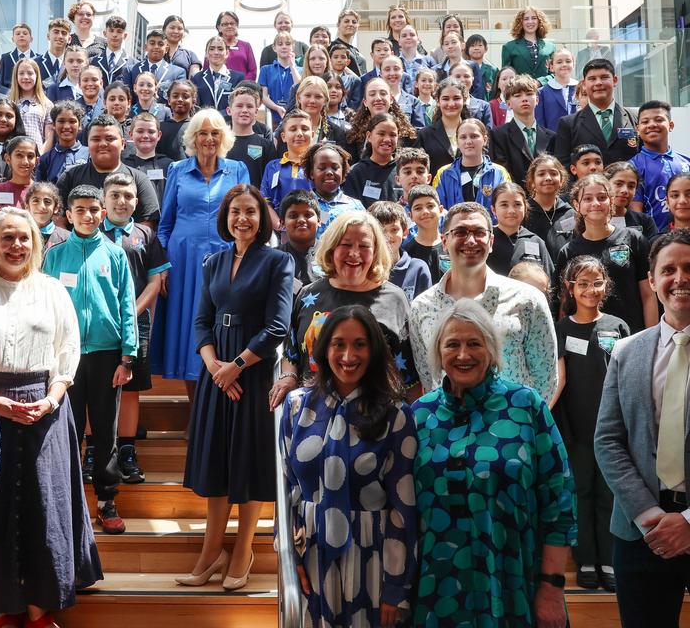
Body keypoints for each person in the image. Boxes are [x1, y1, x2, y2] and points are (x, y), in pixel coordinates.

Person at [0, 208, 102, 626]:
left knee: (42, 505)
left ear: (36, 244)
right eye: (7, 238)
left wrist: (51, 398)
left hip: (44, 411)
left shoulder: (52, 289)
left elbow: (69, 350)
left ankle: (38, 609)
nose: (16, 246)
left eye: (24, 238)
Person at [412, 299, 575, 627]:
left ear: (491, 348)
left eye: (474, 343)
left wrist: (551, 589)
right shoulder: (419, 415)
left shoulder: (525, 406)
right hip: (436, 591)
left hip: (513, 585)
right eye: (452, 344)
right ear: (438, 353)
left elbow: (559, 505)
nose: (463, 354)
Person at [179, 185, 293, 591]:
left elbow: (278, 326)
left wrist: (237, 366)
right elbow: (200, 321)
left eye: (249, 211)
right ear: (225, 218)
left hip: (253, 373)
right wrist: (215, 367)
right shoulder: (213, 262)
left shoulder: (278, 261)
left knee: (248, 461)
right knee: (216, 463)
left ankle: (242, 550)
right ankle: (212, 552)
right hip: (217, 375)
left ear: (262, 217)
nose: (241, 219)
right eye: (234, 212)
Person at [280, 305, 417, 627]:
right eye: (338, 343)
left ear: (374, 350)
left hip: (373, 558)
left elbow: (403, 507)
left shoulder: (396, 415)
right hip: (310, 555)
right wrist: (290, 555)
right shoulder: (297, 406)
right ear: (324, 348)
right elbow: (288, 490)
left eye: (359, 344)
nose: (347, 355)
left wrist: (395, 586)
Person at [595, 228, 690, 626]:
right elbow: (608, 441)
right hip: (640, 531)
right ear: (651, 280)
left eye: (689, 268)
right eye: (669, 269)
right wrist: (650, 514)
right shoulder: (627, 350)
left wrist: (687, 523)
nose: (680, 278)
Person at [43, 186, 137, 535]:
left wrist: (128, 356)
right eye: (79, 209)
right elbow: (45, 306)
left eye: (94, 209)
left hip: (106, 355)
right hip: (65, 356)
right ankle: (68, 502)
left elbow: (128, 305)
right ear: (67, 214)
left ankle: (106, 500)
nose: (87, 215)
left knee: (104, 431)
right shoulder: (54, 256)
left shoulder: (114, 254)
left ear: (102, 213)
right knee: (66, 432)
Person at [409, 202, 558, 400]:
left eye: (479, 232)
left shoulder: (528, 300)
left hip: (512, 426)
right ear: (444, 241)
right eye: (460, 232)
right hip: (451, 427)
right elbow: (430, 379)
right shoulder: (421, 307)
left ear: (491, 241)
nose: (470, 241)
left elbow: (545, 379)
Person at [152, 110, 249, 391]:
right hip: (183, 262)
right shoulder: (177, 170)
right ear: (193, 138)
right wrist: (163, 267)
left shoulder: (238, 169)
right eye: (203, 133)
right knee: (188, 331)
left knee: (223, 329)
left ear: (224, 137)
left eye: (215, 133)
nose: (209, 139)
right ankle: (195, 417)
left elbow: (247, 217)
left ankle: (218, 413)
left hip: (228, 258)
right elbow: (165, 223)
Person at [278, 211, 418, 405]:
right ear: (332, 248)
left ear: (376, 251)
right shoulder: (308, 294)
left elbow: (410, 377)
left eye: (364, 246)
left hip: (377, 418)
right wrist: (288, 377)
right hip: (314, 419)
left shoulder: (394, 299)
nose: (354, 253)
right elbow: (292, 354)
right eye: (345, 245)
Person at [552, 255, 628, 591]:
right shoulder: (562, 329)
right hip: (577, 428)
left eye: (596, 283)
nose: (590, 290)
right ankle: (585, 559)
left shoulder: (618, 326)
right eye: (582, 283)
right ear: (570, 288)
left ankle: (609, 561)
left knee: (609, 494)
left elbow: (626, 376)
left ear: (606, 286)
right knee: (581, 492)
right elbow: (560, 379)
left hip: (613, 427)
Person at [100, 174, 170, 483]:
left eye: (128, 196)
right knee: (96, 385)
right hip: (97, 323)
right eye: (115, 195)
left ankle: (127, 451)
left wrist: (130, 313)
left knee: (130, 388)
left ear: (136, 202)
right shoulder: (91, 232)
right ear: (104, 200)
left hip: (136, 322)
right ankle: (95, 452)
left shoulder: (145, 235)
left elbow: (155, 281)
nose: (121, 201)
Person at [554, 174, 657, 334]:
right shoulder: (568, 251)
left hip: (631, 337)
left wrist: (652, 337)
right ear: (576, 205)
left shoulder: (633, 239)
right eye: (587, 199)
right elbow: (565, 304)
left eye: (602, 197)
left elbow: (648, 295)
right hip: (588, 344)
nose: (595, 203)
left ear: (611, 201)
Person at [55, 115, 160, 225]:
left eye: (110, 139)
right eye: (96, 139)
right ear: (87, 144)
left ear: (123, 144)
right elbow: (59, 222)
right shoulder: (69, 177)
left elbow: (147, 226)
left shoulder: (139, 179)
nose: (103, 144)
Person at [553, 58, 639, 168]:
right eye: (592, 79)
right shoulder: (568, 124)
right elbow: (563, 167)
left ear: (615, 80)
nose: (598, 83)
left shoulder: (635, 118)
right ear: (584, 84)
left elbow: (642, 158)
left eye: (604, 77)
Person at [629, 101, 690, 232]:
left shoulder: (687, 162)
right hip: (655, 242)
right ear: (637, 129)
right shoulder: (632, 167)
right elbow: (636, 214)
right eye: (645, 122)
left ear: (671, 125)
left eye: (659, 119)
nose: (651, 125)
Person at [432, 118, 510, 213]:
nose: (468, 141)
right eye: (463, 137)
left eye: (474, 136)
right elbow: (439, 210)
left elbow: (505, 206)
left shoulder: (499, 172)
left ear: (484, 140)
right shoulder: (444, 173)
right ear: (457, 141)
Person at [490, 74, 556, 184]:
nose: (524, 99)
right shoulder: (498, 135)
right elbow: (501, 171)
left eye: (529, 94)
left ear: (537, 100)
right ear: (508, 104)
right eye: (517, 95)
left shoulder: (552, 137)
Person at [487, 182, 553, 279]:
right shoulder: (485, 240)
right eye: (504, 205)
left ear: (525, 208)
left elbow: (550, 280)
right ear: (493, 210)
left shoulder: (536, 241)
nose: (511, 211)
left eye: (517, 204)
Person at [370, 200, 432, 301]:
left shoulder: (418, 268)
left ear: (405, 232)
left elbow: (425, 310)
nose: (388, 236)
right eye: (381, 230)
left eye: (394, 230)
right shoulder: (364, 268)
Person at [262, 110, 314, 227]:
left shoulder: (318, 166)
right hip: (282, 232)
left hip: (314, 230)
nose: (299, 133)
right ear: (283, 136)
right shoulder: (272, 167)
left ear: (312, 134)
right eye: (293, 129)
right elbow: (265, 201)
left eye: (305, 129)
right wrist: (280, 226)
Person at [304, 142, 364, 238]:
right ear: (312, 173)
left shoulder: (356, 207)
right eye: (322, 168)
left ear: (343, 172)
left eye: (335, 168)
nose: (329, 172)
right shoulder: (303, 205)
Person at [344, 113, 402, 208]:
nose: (387, 139)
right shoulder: (356, 172)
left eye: (392, 135)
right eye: (381, 134)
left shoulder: (403, 170)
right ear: (369, 136)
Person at [226, 83, 277, 189]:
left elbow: (271, 182)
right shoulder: (220, 143)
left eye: (249, 106)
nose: (244, 110)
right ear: (229, 111)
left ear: (256, 112)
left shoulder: (266, 146)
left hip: (256, 202)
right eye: (239, 106)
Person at [524, 154, 574, 256]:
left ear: (561, 180)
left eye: (553, 173)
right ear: (532, 181)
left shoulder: (571, 214)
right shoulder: (524, 213)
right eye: (541, 174)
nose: (548, 178)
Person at [417, 77, 470, 174]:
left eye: (456, 98)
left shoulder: (474, 132)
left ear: (465, 99)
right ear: (437, 101)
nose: (451, 104)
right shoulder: (424, 135)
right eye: (445, 99)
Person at [122, 111, 172, 205]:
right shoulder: (123, 166)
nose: (145, 136)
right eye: (140, 131)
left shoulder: (169, 166)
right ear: (131, 135)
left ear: (159, 135)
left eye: (151, 132)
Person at [278, 190, 321, 296]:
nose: (301, 220)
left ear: (319, 221)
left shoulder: (331, 254)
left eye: (308, 215)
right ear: (282, 223)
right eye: (293, 216)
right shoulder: (274, 259)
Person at [35, 101, 89, 184]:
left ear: (80, 126)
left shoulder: (89, 154)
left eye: (72, 121)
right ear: (53, 125)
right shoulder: (45, 159)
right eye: (61, 121)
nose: (67, 126)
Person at [121, 30, 185, 100]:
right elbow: (127, 98)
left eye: (160, 44)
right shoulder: (131, 70)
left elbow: (178, 99)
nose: (156, 47)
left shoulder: (178, 72)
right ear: (145, 47)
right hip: (137, 110)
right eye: (152, 43)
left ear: (166, 49)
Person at [404, 185, 449, 284]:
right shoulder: (406, 252)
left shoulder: (452, 246)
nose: (425, 212)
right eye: (418, 208)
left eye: (430, 206)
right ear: (410, 216)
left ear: (441, 210)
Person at [0, 135, 39, 218]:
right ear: (8, 159)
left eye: (30, 156)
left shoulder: (42, 191)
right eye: (19, 155)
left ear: (36, 161)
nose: (25, 161)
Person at [7, 57, 53, 150]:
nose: (26, 77)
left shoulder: (46, 104)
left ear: (37, 75)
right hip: (13, 155)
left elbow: (49, 137)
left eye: (30, 73)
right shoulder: (8, 102)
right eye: (21, 73)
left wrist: (40, 156)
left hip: (36, 156)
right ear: (16, 76)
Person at [605, 161, 659, 239]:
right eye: (618, 184)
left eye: (631, 186)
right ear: (605, 184)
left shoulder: (645, 221)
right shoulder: (592, 220)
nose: (625, 190)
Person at [192, 35, 245, 113]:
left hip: (229, 123)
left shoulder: (238, 78)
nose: (216, 52)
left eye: (220, 49)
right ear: (206, 54)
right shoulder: (197, 78)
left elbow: (239, 105)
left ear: (227, 53)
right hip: (205, 122)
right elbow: (195, 105)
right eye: (212, 49)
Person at [500, 6, 557, 79]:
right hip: (520, 89)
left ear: (539, 21)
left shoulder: (550, 47)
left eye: (534, 18)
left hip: (545, 89)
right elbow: (506, 76)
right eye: (526, 19)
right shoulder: (509, 47)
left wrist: (540, 82)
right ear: (520, 23)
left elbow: (555, 74)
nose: (530, 22)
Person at [259, 31, 301, 128]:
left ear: (293, 46)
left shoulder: (300, 70)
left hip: (296, 117)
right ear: (274, 48)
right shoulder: (266, 69)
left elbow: (300, 88)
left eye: (288, 43)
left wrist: (292, 66)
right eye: (280, 44)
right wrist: (276, 107)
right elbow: (263, 96)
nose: (284, 47)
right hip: (274, 118)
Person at [534, 47, 579, 130]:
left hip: (579, 139)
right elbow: (540, 122)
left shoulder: (581, 88)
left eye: (568, 61)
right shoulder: (542, 92)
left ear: (573, 65)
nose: (564, 64)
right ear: (551, 67)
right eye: (559, 62)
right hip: (553, 139)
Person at [215, 10, 256, 81]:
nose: (229, 26)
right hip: (219, 89)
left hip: (242, 89)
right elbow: (207, 71)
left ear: (237, 26)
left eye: (232, 23)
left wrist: (240, 85)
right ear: (219, 28)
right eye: (225, 24)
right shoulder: (213, 47)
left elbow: (252, 71)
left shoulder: (246, 46)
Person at [26, 181, 68, 250]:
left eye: (47, 202)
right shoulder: (20, 235)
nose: (41, 206)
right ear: (27, 207)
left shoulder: (67, 238)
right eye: (36, 201)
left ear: (56, 208)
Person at [90, 15, 131, 85]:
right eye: (111, 31)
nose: (115, 35)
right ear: (105, 34)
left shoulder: (133, 64)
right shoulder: (92, 62)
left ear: (125, 35)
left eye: (119, 31)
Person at [36, 17, 72, 88]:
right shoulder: (35, 63)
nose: (60, 36)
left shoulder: (74, 64)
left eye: (64, 33)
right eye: (56, 32)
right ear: (48, 36)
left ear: (69, 39)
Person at [332, 9, 367, 76]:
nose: (350, 24)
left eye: (354, 22)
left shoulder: (355, 50)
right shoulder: (332, 47)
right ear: (338, 25)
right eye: (346, 21)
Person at [465, 33, 497, 101]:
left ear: (486, 49)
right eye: (472, 46)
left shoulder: (493, 70)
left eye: (480, 45)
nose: (476, 48)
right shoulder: (463, 69)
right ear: (467, 49)